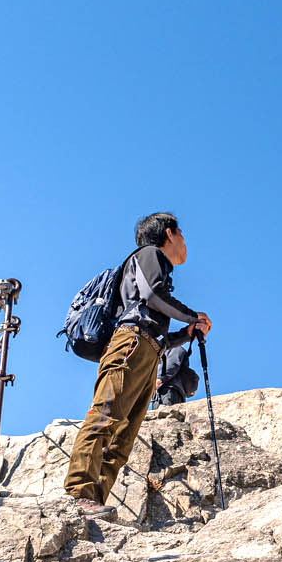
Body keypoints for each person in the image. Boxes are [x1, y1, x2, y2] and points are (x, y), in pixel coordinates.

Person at [64, 213, 211, 516]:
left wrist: (186, 333)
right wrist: (192, 316)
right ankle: (78, 493)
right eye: (181, 234)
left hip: (147, 350)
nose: (185, 242)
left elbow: (157, 333)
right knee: (105, 416)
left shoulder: (155, 264)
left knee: (123, 438)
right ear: (169, 233)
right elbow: (153, 294)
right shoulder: (149, 254)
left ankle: (95, 500)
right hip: (130, 345)